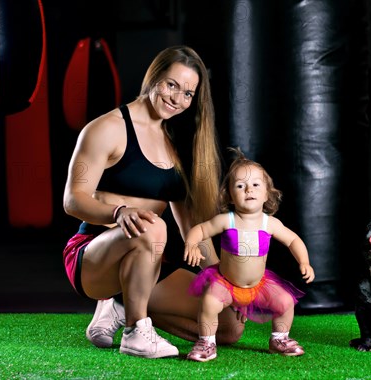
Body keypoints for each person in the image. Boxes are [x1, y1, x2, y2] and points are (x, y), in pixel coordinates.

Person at [61, 45, 244, 359]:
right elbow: (72, 199)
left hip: (147, 261)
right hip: (93, 256)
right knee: (153, 226)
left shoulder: (174, 144)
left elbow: (192, 233)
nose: (177, 98)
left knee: (227, 324)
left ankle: (121, 304)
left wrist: (223, 281)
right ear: (154, 78)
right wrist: (118, 212)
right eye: (172, 85)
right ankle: (135, 332)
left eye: (188, 93)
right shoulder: (107, 129)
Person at [183, 147, 316, 362]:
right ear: (230, 195)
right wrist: (191, 243)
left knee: (285, 301)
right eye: (240, 186)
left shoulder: (269, 223)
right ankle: (206, 341)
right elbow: (201, 229)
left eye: (255, 185)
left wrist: (304, 262)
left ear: (266, 193)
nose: (248, 190)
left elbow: (293, 240)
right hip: (226, 283)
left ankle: (279, 339)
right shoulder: (228, 220)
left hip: (259, 285)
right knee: (209, 302)